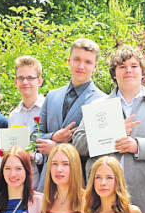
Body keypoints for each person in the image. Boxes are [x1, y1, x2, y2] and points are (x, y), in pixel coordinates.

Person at [73, 44, 145, 207]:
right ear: (114, 73)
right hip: (101, 199)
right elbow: (78, 144)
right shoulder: (97, 106)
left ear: (142, 71)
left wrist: (138, 146)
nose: (128, 71)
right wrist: (113, 133)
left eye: (134, 66)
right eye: (122, 67)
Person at [37, 38, 106, 176]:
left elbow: (100, 146)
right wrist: (54, 136)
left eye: (88, 62)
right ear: (68, 60)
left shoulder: (102, 101)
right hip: (47, 178)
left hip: (79, 180)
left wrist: (56, 148)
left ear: (95, 66)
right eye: (77, 60)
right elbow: (34, 136)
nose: (81, 66)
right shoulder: (51, 96)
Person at [7, 56, 46, 187]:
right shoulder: (13, 116)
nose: (25, 82)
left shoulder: (49, 109)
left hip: (43, 182)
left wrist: (35, 157)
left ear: (39, 81)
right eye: (21, 78)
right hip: (19, 183)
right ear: (15, 82)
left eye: (30, 78)